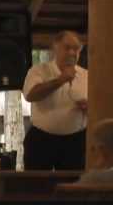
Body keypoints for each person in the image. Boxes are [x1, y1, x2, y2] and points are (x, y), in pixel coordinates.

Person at [22, 31, 88, 170]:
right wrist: (60, 80)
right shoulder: (39, 71)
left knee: (73, 187)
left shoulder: (86, 75)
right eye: (67, 47)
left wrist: (89, 108)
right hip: (42, 140)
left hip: (76, 142)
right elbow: (30, 95)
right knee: (37, 186)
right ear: (55, 48)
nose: (71, 52)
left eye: (76, 49)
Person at [77, 118, 113, 184]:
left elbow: (72, 191)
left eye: (93, 148)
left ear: (102, 149)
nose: (91, 151)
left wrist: (96, 168)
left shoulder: (94, 178)